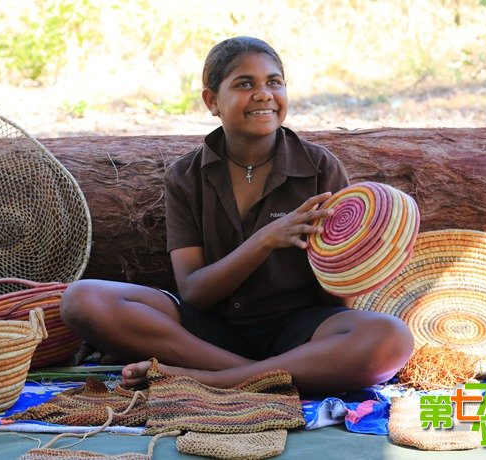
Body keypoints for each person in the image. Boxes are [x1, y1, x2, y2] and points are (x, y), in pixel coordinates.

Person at [60, 36, 414, 394]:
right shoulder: (186, 176)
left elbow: (337, 297)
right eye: (245, 84)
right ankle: (260, 376)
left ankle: (209, 380)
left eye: (274, 82)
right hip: (206, 333)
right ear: (211, 100)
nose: (263, 94)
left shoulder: (319, 167)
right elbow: (194, 293)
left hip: (297, 331)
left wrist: (359, 263)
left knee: (391, 338)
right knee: (82, 299)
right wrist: (266, 239)